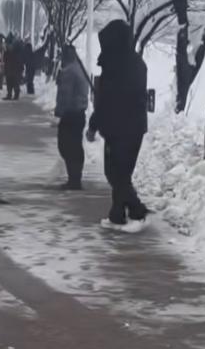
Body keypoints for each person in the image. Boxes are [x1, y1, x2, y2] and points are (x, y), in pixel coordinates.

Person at [86, 18, 149, 227]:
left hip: (124, 127)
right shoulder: (129, 63)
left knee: (117, 174)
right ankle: (121, 210)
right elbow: (107, 98)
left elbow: (109, 98)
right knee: (118, 173)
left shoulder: (122, 65)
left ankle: (133, 209)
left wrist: (95, 123)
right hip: (126, 127)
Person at [54, 44, 91, 190]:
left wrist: (59, 110)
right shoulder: (79, 69)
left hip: (71, 113)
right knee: (74, 146)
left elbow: (65, 94)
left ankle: (74, 179)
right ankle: (75, 178)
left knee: (67, 146)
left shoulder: (69, 71)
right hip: (79, 113)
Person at [3, 35, 24, 101]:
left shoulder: (17, 52)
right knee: (9, 82)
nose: (7, 46)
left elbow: (20, 60)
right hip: (10, 69)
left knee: (15, 82)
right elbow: (5, 60)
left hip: (16, 69)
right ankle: (9, 94)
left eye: (8, 45)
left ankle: (16, 95)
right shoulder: (7, 51)